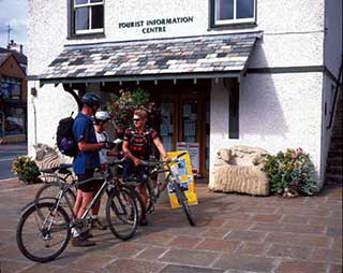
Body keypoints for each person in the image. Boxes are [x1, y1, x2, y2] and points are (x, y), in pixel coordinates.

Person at [71, 93, 108, 247]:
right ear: (91, 106)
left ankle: (78, 228)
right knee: (86, 201)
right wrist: (102, 145)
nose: (96, 110)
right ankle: (76, 235)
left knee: (80, 199)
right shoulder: (83, 122)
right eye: (96, 106)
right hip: (84, 166)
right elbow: (82, 146)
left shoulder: (83, 120)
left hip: (86, 165)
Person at [122, 109, 170, 225]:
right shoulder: (129, 131)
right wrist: (134, 159)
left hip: (143, 162)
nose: (135, 122)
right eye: (134, 120)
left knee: (142, 189)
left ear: (144, 120)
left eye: (137, 120)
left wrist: (165, 155)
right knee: (129, 188)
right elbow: (124, 147)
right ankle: (133, 210)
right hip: (130, 161)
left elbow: (158, 144)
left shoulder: (150, 132)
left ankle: (143, 214)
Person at [91, 111, 115, 230]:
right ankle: (88, 218)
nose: (107, 125)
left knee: (98, 195)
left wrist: (117, 153)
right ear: (101, 122)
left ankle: (94, 218)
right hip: (94, 168)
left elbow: (105, 151)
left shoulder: (104, 134)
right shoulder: (92, 134)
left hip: (103, 168)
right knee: (91, 195)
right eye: (106, 122)